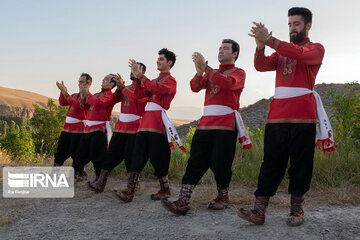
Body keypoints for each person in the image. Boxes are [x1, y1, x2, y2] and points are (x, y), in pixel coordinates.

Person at [238, 7, 335, 227]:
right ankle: (259, 210)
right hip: (277, 116)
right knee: (270, 163)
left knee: (301, 164)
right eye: (290, 24)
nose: (292, 28)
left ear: (308, 25)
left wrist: (270, 39)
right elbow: (261, 66)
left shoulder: (316, 48)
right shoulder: (281, 51)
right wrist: (260, 47)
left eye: (296, 24)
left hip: (304, 116)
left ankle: (296, 210)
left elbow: (298, 54)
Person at [161, 39, 251, 215]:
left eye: (225, 48)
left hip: (225, 124)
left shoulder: (239, 72)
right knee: (195, 160)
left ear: (234, 54)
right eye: (219, 48)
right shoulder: (213, 73)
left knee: (220, 162)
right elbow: (195, 87)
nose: (221, 50)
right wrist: (198, 71)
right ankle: (183, 200)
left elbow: (229, 84)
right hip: (205, 124)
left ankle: (223, 196)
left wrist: (206, 69)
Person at [114, 48, 185, 202]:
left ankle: (165, 189)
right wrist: (138, 81)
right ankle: (129, 191)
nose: (157, 61)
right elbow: (140, 97)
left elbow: (156, 89)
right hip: (146, 121)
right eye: (157, 59)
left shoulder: (170, 81)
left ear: (169, 62)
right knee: (137, 154)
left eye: (161, 59)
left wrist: (141, 76)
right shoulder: (154, 80)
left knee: (158, 156)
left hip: (157, 122)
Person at [88, 63, 148, 193]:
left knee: (130, 156)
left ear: (142, 72)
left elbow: (136, 99)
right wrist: (119, 89)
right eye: (132, 69)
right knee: (111, 155)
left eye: (136, 69)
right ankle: (101, 183)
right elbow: (112, 101)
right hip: (120, 127)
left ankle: (132, 186)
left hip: (135, 128)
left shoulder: (144, 87)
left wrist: (123, 88)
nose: (133, 71)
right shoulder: (124, 88)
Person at [70, 74, 117, 183]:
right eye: (104, 77)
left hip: (99, 130)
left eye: (106, 79)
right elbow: (85, 106)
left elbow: (98, 103)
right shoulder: (97, 94)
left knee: (98, 157)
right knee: (79, 154)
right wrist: (82, 95)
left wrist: (86, 94)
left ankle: (99, 180)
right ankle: (76, 175)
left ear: (112, 84)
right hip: (88, 129)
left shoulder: (110, 95)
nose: (103, 79)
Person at [54, 73, 92, 174]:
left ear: (88, 83)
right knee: (60, 152)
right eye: (79, 81)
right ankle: (54, 173)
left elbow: (77, 105)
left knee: (76, 154)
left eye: (81, 82)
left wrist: (64, 92)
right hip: (67, 129)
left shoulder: (89, 97)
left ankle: (78, 174)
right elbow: (63, 103)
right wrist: (62, 93)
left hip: (78, 130)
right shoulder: (75, 95)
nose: (79, 84)